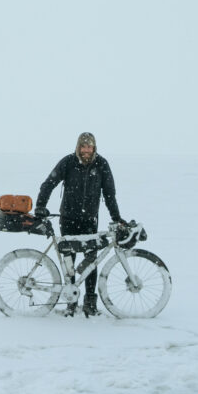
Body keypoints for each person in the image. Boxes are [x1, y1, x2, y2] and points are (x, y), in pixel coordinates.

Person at [35, 132, 124, 317]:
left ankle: (90, 303)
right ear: (78, 147)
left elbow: (109, 194)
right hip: (68, 219)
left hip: (90, 221)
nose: (86, 150)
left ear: (94, 148)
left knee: (91, 260)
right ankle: (71, 302)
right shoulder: (68, 162)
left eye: (89, 147)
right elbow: (48, 183)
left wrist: (116, 217)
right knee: (70, 262)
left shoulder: (102, 164)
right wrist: (40, 206)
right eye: (83, 147)